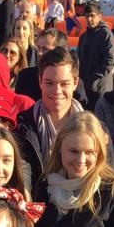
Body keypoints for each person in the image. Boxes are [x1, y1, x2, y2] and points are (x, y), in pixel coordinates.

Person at [15, 46, 95, 188]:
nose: (57, 91)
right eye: (49, 83)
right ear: (40, 82)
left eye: (64, 84)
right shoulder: (22, 128)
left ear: (75, 83)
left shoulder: (95, 130)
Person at [78, 2, 114, 111]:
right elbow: (81, 61)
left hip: (101, 87)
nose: (89, 19)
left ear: (100, 16)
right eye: (87, 16)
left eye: (92, 15)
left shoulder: (106, 34)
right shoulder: (83, 37)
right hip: (87, 87)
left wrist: (94, 80)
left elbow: (110, 61)